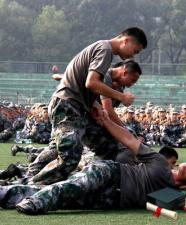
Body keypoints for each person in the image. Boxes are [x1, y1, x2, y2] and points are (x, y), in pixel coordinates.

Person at [0, 108, 186, 214]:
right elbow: (129, 139)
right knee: (70, 186)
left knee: (65, 199)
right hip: (112, 173)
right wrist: (106, 121)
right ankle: (36, 204)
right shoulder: (158, 162)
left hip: (114, 199)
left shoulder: (174, 195)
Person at [24, 27, 147, 185]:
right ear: (126, 40)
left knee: (108, 146)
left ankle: (96, 180)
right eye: (135, 51)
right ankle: (29, 186)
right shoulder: (105, 50)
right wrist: (121, 97)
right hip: (67, 105)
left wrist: (93, 103)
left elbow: (83, 82)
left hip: (77, 107)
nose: (133, 56)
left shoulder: (104, 50)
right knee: (69, 158)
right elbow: (91, 83)